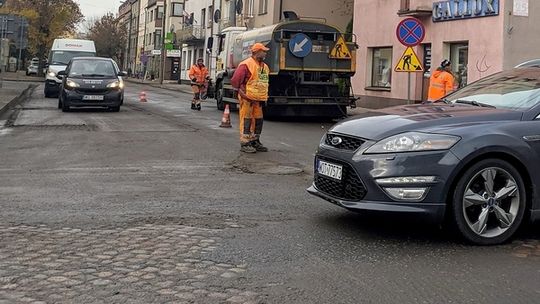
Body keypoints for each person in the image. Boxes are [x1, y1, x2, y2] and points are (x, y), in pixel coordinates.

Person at [231, 43, 270, 153]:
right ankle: (245, 143)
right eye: (263, 51)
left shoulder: (265, 67)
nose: (265, 53)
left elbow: (264, 82)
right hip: (247, 98)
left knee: (258, 120)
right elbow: (235, 81)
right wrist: (242, 93)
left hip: (259, 100)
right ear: (256, 52)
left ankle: (255, 140)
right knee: (246, 119)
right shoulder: (246, 65)